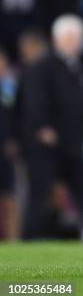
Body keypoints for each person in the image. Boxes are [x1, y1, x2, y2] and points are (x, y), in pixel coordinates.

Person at [21, 15, 83, 240]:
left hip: (73, 142)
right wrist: (43, 127)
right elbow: (34, 100)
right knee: (40, 193)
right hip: (47, 145)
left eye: (77, 37)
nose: (74, 42)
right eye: (69, 37)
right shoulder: (42, 66)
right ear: (57, 39)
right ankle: (28, 237)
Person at [0, 48, 19, 241]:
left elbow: (18, 118)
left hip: (5, 151)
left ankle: (13, 240)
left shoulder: (10, 89)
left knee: (10, 198)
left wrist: (15, 140)